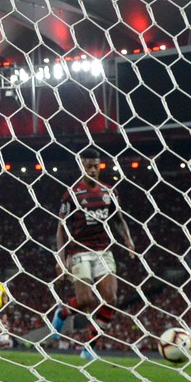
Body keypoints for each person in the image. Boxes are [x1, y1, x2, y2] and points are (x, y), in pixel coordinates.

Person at [52, 148, 135, 359]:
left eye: (96, 166)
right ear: (81, 166)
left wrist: (128, 239)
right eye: (88, 166)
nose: (92, 170)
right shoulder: (71, 194)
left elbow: (118, 219)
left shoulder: (110, 192)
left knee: (111, 298)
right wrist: (61, 258)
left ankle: (90, 345)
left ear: (100, 166)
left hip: (103, 250)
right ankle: (62, 312)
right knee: (85, 300)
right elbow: (61, 228)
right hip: (79, 250)